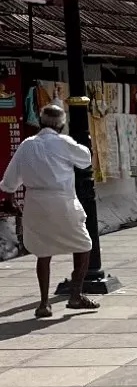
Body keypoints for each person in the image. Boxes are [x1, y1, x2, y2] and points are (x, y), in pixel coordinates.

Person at [0, 103, 99, 318]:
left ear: (41, 121)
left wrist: (10, 195)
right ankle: (76, 295)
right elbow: (85, 158)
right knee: (83, 245)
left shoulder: (27, 145)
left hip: (36, 202)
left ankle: (44, 303)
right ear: (62, 124)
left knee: (43, 252)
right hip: (62, 201)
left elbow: (9, 181)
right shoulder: (63, 142)